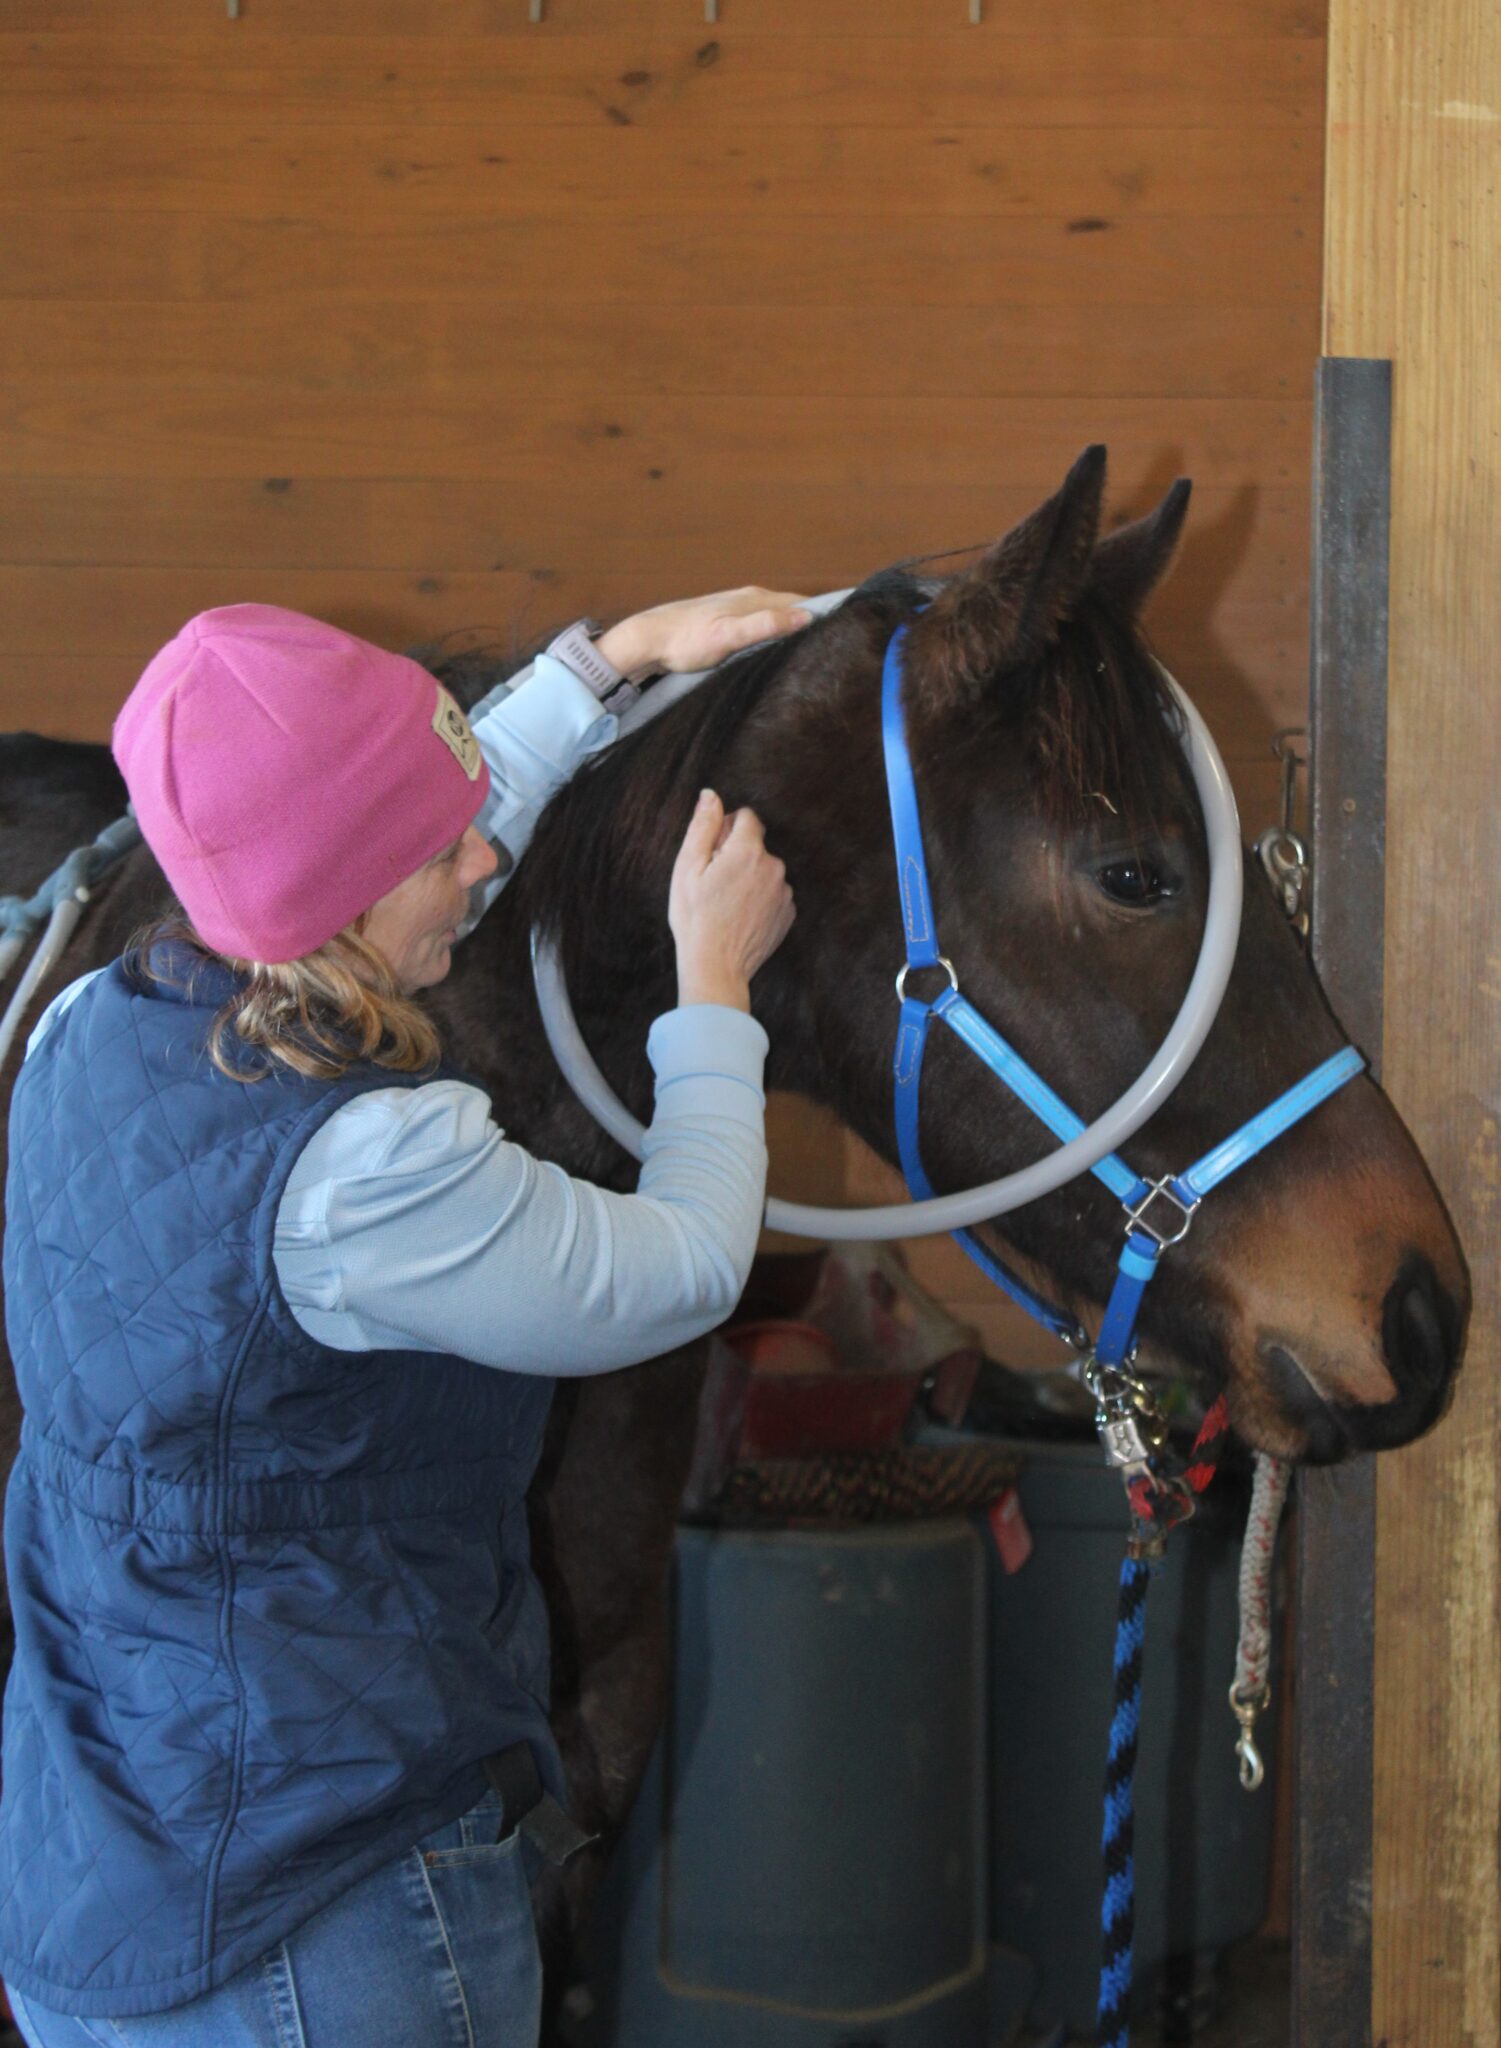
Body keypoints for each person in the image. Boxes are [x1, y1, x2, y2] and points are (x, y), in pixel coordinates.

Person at [0, 588, 808, 2048]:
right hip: (318, 1919)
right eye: (448, 853)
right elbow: (684, 1264)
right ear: (347, 892)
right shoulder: (366, 1171)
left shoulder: (91, 1023)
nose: (488, 862)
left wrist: (605, 665)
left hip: (109, 1862)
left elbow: (353, 842)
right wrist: (712, 986)